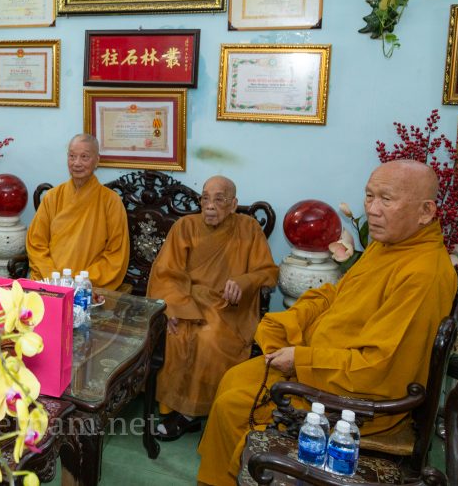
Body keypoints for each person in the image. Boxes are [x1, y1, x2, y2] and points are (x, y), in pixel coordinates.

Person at [196, 160, 458, 485]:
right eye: (369, 196)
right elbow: (336, 294)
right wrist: (292, 319)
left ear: (426, 211)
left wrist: (301, 359)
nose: (372, 209)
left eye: (386, 200)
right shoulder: (388, 245)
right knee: (234, 377)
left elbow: (378, 369)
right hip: (326, 367)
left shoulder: (423, 274)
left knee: (234, 405)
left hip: (357, 398)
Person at [147, 175, 277, 441]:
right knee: (177, 333)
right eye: (205, 198)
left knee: (209, 338)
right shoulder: (185, 226)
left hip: (228, 307)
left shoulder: (249, 229)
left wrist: (243, 281)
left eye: (219, 199)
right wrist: (171, 307)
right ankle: (173, 407)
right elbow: (166, 272)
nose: (210, 206)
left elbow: (268, 273)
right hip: (187, 300)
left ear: (233, 204)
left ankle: (190, 413)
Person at [25, 134, 129, 290]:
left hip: (87, 286)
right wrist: (54, 279)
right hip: (50, 282)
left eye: (84, 157)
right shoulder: (52, 197)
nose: (77, 163)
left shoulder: (111, 201)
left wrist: (81, 282)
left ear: (97, 160)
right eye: (72, 156)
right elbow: (36, 243)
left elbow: (116, 254)